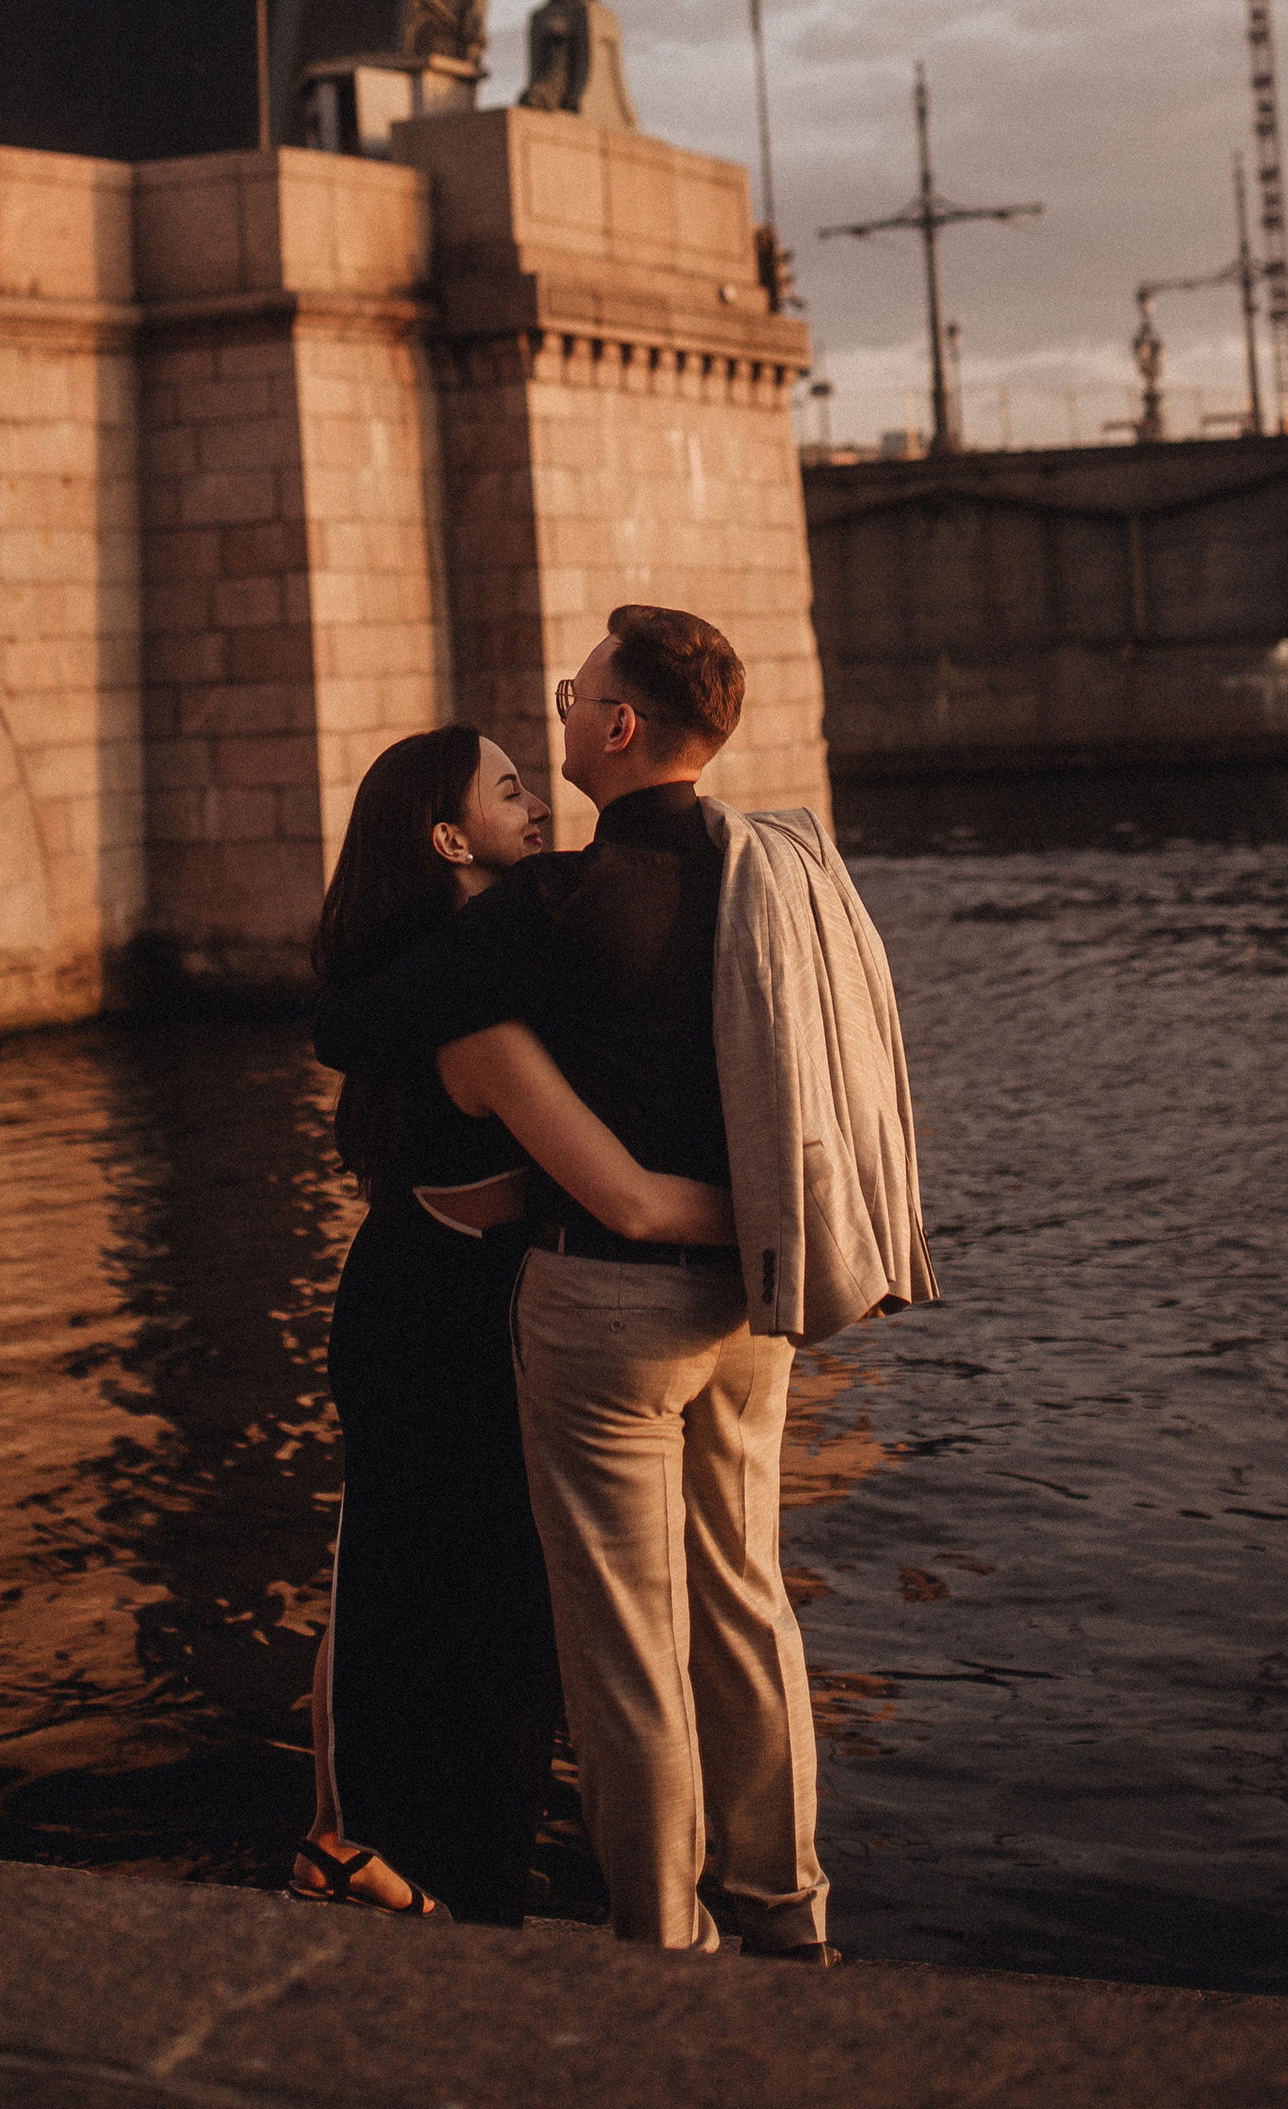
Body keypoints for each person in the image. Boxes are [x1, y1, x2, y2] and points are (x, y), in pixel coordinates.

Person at [311, 607, 932, 1960]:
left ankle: (663, 1938)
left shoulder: (560, 904)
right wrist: (801, 1221)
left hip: (609, 1309)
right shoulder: (777, 865)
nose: (562, 715)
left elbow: (348, 1025)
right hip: (756, 1311)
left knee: (627, 1653)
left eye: (574, 694)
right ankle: (786, 1909)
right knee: (749, 1605)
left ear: (620, 725)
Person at [296, 723, 733, 1926]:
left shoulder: (490, 959)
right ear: (448, 839)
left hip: (464, 1296)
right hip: (431, 1318)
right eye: (506, 788)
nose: (535, 800)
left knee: (454, 1594)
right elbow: (629, 1200)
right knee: (416, 1593)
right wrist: (803, 1219)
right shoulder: (468, 1012)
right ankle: (378, 1855)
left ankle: (421, 1859)